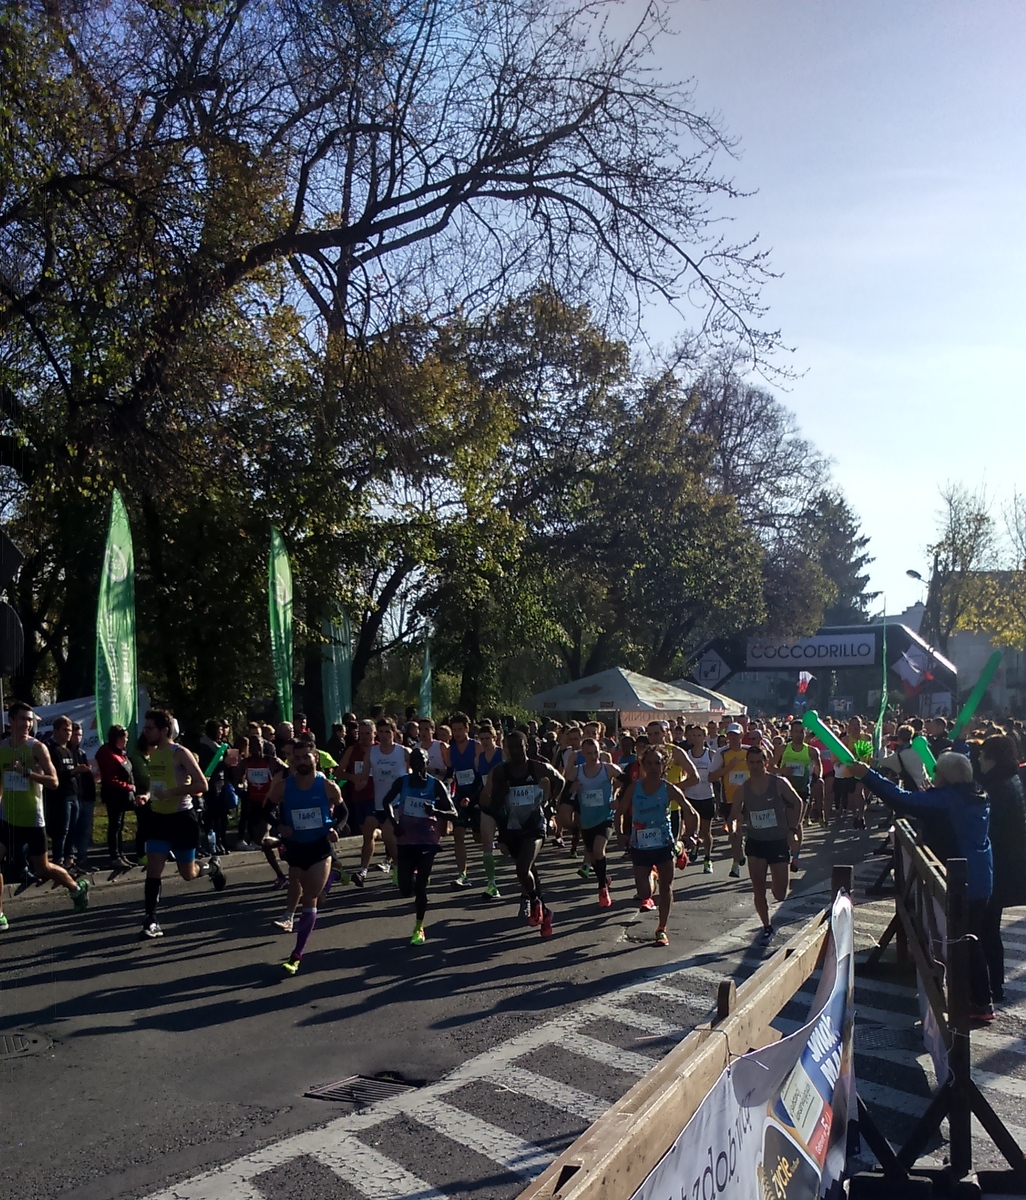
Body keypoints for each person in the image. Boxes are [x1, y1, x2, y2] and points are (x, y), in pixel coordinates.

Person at [851, 752, 995, 1020]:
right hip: (981, 876)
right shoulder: (977, 794)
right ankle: (980, 1000)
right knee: (972, 940)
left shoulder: (946, 800)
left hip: (959, 880)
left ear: (946, 777)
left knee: (959, 943)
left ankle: (971, 1004)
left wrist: (867, 775)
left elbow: (902, 799)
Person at [138, 708, 226, 939]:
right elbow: (157, 784)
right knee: (153, 871)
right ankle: (151, 920)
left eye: (150, 728)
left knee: (188, 873)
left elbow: (201, 785)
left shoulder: (180, 753)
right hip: (157, 817)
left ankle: (211, 867)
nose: (145, 732)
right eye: (145, 728)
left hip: (181, 819)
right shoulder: (154, 753)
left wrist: (174, 792)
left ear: (164, 730)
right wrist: (148, 795)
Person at [0, 702, 89, 927]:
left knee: (43, 868)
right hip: (8, 817)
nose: (27, 724)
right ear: (10, 721)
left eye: (30, 720)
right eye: (22, 719)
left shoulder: (37, 748)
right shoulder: (2, 748)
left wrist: (27, 772)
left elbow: (54, 782)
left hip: (32, 819)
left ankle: (76, 889)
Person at [266, 742, 344, 975]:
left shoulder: (327, 786)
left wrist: (335, 828)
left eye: (305, 757)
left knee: (310, 897)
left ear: (315, 759)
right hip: (296, 846)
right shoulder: (283, 787)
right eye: (296, 758)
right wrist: (280, 827)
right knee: (303, 889)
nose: (301, 761)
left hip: (319, 847)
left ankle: (297, 954)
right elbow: (266, 810)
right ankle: (334, 877)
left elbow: (343, 811)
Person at [480, 732, 563, 937]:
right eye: (511, 748)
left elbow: (559, 780)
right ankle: (544, 912)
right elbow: (491, 803)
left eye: (520, 747)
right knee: (529, 871)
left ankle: (534, 902)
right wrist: (500, 833)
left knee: (523, 867)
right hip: (511, 829)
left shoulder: (537, 767)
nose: (516, 751)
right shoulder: (499, 772)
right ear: (505, 749)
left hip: (535, 826)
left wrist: (548, 802)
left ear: (526, 746)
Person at [617, 746, 698, 947]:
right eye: (649, 763)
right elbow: (619, 812)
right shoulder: (634, 788)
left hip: (663, 844)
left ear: (664, 766)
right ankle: (654, 872)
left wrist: (691, 834)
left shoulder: (669, 788)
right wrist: (620, 834)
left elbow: (691, 812)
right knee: (644, 893)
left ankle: (661, 928)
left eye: (658, 763)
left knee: (666, 887)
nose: (653, 767)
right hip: (640, 845)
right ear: (642, 765)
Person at [382, 746, 457, 944]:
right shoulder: (402, 782)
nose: (416, 765)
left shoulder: (435, 785)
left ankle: (419, 926)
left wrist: (435, 811)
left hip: (427, 840)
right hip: (406, 839)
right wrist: (394, 822)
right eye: (413, 761)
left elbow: (453, 813)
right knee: (406, 889)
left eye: (420, 761)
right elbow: (386, 802)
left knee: (422, 887)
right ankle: (413, 881)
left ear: (426, 763)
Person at [730, 743, 803, 940]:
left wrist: (792, 829)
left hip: (778, 841)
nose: (755, 766)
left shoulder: (778, 783)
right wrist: (735, 831)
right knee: (758, 888)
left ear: (766, 763)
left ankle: (777, 883)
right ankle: (766, 925)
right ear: (747, 763)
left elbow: (797, 802)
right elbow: (734, 814)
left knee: (780, 894)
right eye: (751, 762)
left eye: (758, 762)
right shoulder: (743, 789)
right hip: (756, 843)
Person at [976, 734, 1026, 1006]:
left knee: (986, 932)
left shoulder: (996, 788)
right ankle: (994, 985)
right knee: (990, 932)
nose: (979, 761)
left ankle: (990, 988)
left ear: (991, 758)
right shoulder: (1011, 778)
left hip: (998, 869)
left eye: (982, 756)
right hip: (1009, 867)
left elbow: (990, 826)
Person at [568, 737, 623, 908]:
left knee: (599, 850)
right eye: (588, 753)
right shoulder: (576, 772)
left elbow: (627, 782)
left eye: (595, 752)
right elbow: (563, 791)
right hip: (586, 821)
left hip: (605, 817)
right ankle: (604, 877)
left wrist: (617, 797)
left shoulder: (608, 769)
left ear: (601, 751)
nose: (593, 756)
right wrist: (572, 790)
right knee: (594, 857)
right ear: (582, 754)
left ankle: (602, 889)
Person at [773, 719, 822, 872]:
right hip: (783, 790)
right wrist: (782, 772)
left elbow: (818, 768)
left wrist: (816, 778)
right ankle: (785, 849)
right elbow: (770, 767)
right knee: (784, 822)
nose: (798, 734)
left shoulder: (811, 751)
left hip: (802, 790)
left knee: (797, 822)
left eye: (801, 731)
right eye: (795, 731)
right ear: (790, 732)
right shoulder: (782, 749)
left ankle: (795, 856)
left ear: (805, 733)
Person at [339, 719, 380, 883]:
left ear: (374, 733)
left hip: (376, 797)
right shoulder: (352, 750)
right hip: (358, 797)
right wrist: (353, 777)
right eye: (361, 734)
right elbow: (339, 772)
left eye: (368, 733)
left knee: (368, 834)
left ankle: (363, 871)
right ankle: (384, 834)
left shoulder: (379, 749)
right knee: (369, 833)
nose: (364, 737)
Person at [709, 723, 750, 878]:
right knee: (733, 832)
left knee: (738, 829)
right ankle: (737, 859)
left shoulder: (748, 751)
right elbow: (711, 776)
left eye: (736, 735)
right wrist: (728, 767)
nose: (733, 738)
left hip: (748, 799)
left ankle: (737, 860)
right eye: (730, 735)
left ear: (741, 735)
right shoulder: (722, 753)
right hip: (729, 799)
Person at [446, 712, 480, 887]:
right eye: (454, 730)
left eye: (460, 729)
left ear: (467, 729)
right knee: (458, 835)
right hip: (459, 796)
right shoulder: (450, 750)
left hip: (477, 794)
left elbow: (483, 775)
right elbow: (449, 774)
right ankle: (462, 874)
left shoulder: (476, 746)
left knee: (479, 837)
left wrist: (473, 797)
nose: (457, 733)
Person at [96, 724, 137, 868]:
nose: (126, 741)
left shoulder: (120, 752)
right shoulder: (107, 753)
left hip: (123, 795)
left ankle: (121, 854)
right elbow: (110, 778)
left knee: (119, 825)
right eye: (125, 738)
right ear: (118, 738)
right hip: (114, 794)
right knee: (115, 825)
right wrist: (129, 786)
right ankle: (115, 856)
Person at [684, 723, 722, 874]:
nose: (696, 738)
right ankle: (694, 847)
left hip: (706, 796)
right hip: (690, 797)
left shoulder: (711, 754)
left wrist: (719, 800)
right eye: (693, 735)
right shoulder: (686, 754)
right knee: (691, 830)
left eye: (699, 735)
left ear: (705, 737)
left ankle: (707, 859)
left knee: (706, 832)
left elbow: (716, 777)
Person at [44, 715, 81, 870]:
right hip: (60, 797)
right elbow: (58, 773)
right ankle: (58, 861)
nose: (68, 733)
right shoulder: (53, 750)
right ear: (56, 731)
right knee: (62, 830)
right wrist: (76, 770)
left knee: (73, 829)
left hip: (73, 794)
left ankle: (69, 860)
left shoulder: (69, 750)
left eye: (70, 730)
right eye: (65, 730)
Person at [70, 721, 96, 872]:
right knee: (72, 830)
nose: (77, 738)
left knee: (85, 830)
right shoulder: (64, 752)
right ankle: (71, 860)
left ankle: (83, 858)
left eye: (80, 734)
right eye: (75, 734)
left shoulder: (82, 753)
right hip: (73, 796)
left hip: (85, 795)